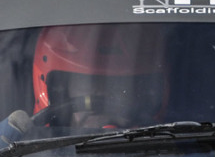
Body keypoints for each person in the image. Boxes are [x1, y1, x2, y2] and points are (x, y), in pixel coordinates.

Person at [32, 23, 169, 130]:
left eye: (116, 83)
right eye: (88, 83)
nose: (101, 93)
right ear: (59, 89)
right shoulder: (20, 153)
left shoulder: (178, 156)